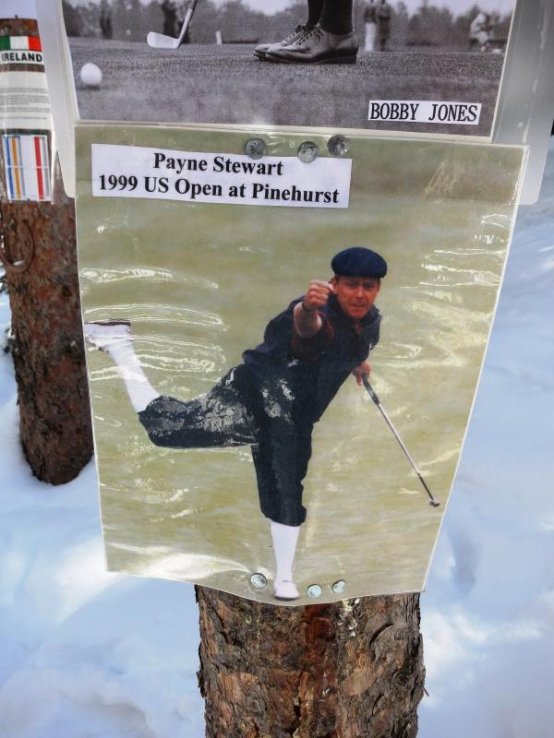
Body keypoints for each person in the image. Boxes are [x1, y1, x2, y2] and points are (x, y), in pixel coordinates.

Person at [84, 247, 387, 600]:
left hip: (292, 417)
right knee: (164, 431)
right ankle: (120, 345)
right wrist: (306, 308)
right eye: (352, 285)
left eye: (369, 286)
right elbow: (309, 333)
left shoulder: (370, 320)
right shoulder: (315, 313)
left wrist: (352, 363)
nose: (360, 294)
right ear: (334, 284)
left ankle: (284, 578)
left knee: (287, 491)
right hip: (254, 399)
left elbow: (343, 346)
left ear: (378, 288)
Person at [254, 0, 358, 65]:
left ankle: (335, 29)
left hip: (336, 35)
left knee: (333, 25)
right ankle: (315, 25)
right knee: (315, 21)